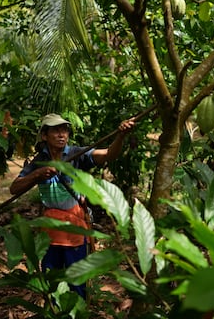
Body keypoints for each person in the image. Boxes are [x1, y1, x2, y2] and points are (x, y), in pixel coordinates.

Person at [10, 113, 135, 299]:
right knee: (52, 280)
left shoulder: (76, 154)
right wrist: (37, 175)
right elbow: (14, 188)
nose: (62, 134)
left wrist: (120, 136)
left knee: (77, 280)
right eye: (56, 130)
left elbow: (108, 154)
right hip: (50, 232)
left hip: (74, 229)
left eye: (64, 130)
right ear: (44, 136)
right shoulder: (38, 161)